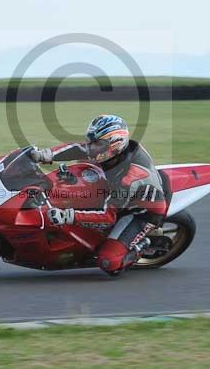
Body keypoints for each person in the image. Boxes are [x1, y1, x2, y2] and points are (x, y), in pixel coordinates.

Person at [30, 115, 166, 275]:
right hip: (118, 193)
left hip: (140, 212)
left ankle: (140, 247)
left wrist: (67, 215)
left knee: (109, 262)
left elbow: (108, 216)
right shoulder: (113, 152)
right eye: (91, 141)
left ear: (115, 144)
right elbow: (79, 148)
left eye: (97, 144)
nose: (91, 147)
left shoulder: (127, 180)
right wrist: (45, 155)